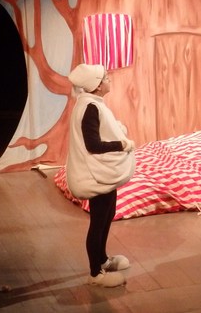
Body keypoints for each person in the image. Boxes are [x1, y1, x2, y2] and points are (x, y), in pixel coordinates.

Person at [66, 63, 136, 287]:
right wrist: (121, 144)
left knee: (107, 215)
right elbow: (93, 145)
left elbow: (102, 130)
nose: (109, 80)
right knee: (98, 221)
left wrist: (117, 130)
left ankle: (103, 260)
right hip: (94, 174)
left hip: (101, 172)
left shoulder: (93, 104)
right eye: (105, 78)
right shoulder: (89, 107)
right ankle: (95, 273)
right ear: (96, 86)